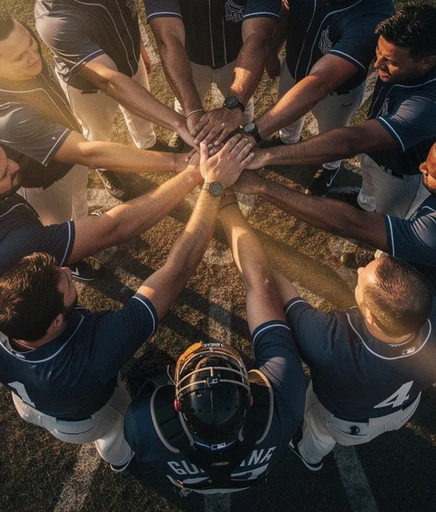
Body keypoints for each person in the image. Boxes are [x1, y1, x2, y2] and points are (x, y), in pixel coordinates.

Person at [0, 138, 254, 472]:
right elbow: (176, 272)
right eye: (66, 281)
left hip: (27, 403)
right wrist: (212, 186)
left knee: (101, 432)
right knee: (115, 428)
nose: (69, 268)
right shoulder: (93, 352)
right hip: (83, 416)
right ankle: (124, 459)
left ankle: (118, 459)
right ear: (56, 322)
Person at [124, 190, 306, 494]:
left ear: (176, 404)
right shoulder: (283, 400)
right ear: (250, 399)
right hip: (249, 475)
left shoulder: (144, 423)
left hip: (189, 478)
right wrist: (230, 203)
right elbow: (260, 285)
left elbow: (144, 445)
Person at [235, 130, 436, 310]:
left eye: (430, 173)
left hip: (432, 296)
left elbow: (351, 223)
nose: (421, 168)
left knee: (391, 329)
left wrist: (263, 187)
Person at [0, 133, 201, 309]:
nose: (16, 166)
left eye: (6, 157)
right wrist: (192, 175)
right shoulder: (8, 247)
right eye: (5, 174)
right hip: (3, 299)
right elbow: (115, 227)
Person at [0, 8, 191, 219]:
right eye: (19, 58)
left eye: (31, 44)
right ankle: (76, 259)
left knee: (80, 201)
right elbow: (87, 154)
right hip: (43, 181)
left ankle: (83, 220)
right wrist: (175, 161)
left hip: (68, 146)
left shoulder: (16, 40)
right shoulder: (1, 113)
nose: (33, 56)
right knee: (59, 225)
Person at [249, 4, 436, 216]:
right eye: (378, 52)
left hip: (400, 173)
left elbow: (353, 141)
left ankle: (381, 249)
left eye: (391, 61)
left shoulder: (432, 105)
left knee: (388, 219)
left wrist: (266, 156)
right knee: (368, 185)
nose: (378, 64)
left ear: (426, 62)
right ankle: (363, 202)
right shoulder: (419, 48)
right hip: (375, 152)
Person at [280, 254, 436, 470]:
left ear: (370, 317)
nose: (359, 270)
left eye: (360, 280)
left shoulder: (332, 343)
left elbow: (287, 300)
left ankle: (309, 456)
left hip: (347, 423)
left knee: (318, 432)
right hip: (405, 407)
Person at [35, 0, 190, 201]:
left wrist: (137, 45)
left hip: (130, 60)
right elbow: (107, 79)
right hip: (88, 87)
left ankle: (147, 142)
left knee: (143, 118)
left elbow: (126, 8)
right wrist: (179, 122)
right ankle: (104, 166)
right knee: (97, 133)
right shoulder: (53, 15)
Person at [242, 0, 395, 198]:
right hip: (294, 67)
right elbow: (288, 9)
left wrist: (254, 131)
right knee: (287, 114)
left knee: (330, 135)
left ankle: (330, 167)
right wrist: (273, 50)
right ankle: (287, 140)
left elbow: (321, 83)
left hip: (336, 91)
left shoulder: (374, 14)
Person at [142, 0, 283, 149]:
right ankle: (184, 136)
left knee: (243, 105)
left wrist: (234, 105)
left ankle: (242, 135)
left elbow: (257, 39)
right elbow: (169, 39)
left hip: (239, 59)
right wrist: (192, 112)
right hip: (189, 59)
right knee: (184, 105)